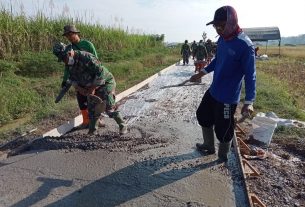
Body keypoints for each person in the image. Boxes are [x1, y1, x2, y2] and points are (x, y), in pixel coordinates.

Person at [190, 6, 256, 161]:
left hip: (228, 97)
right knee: (203, 116)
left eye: (221, 25)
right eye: (216, 26)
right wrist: (201, 72)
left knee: (223, 129)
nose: (218, 29)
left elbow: (250, 75)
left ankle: (222, 156)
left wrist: (249, 101)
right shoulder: (222, 40)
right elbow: (217, 60)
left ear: (232, 22)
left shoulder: (245, 45)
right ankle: (209, 145)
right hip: (214, 90)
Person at [53, 42, 128, 135]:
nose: (65, 61)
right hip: (89, 85)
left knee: (109, 108)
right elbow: (73, 78)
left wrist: (92, 88)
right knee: (92, 110)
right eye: (62, 60)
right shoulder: (69, 63)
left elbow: (100, 74)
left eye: (64, 58)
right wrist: (80, 88)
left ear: (69, 52)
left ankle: (123, 125)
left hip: (105, 82)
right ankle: (92, 131)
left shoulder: (86, 57)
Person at [61, 24, 105, 129]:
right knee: (81, 98)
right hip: (78, 76)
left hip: (90, 75)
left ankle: (98, 119)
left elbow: (96, 60)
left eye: (71, 34)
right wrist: (65, 79)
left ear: (76, 33)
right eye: (67, 35)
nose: (69, 37)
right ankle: (86, 121)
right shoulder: (69, 48)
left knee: (94, 97)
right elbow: (68, 66)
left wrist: (96, 78)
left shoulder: (87, 44)